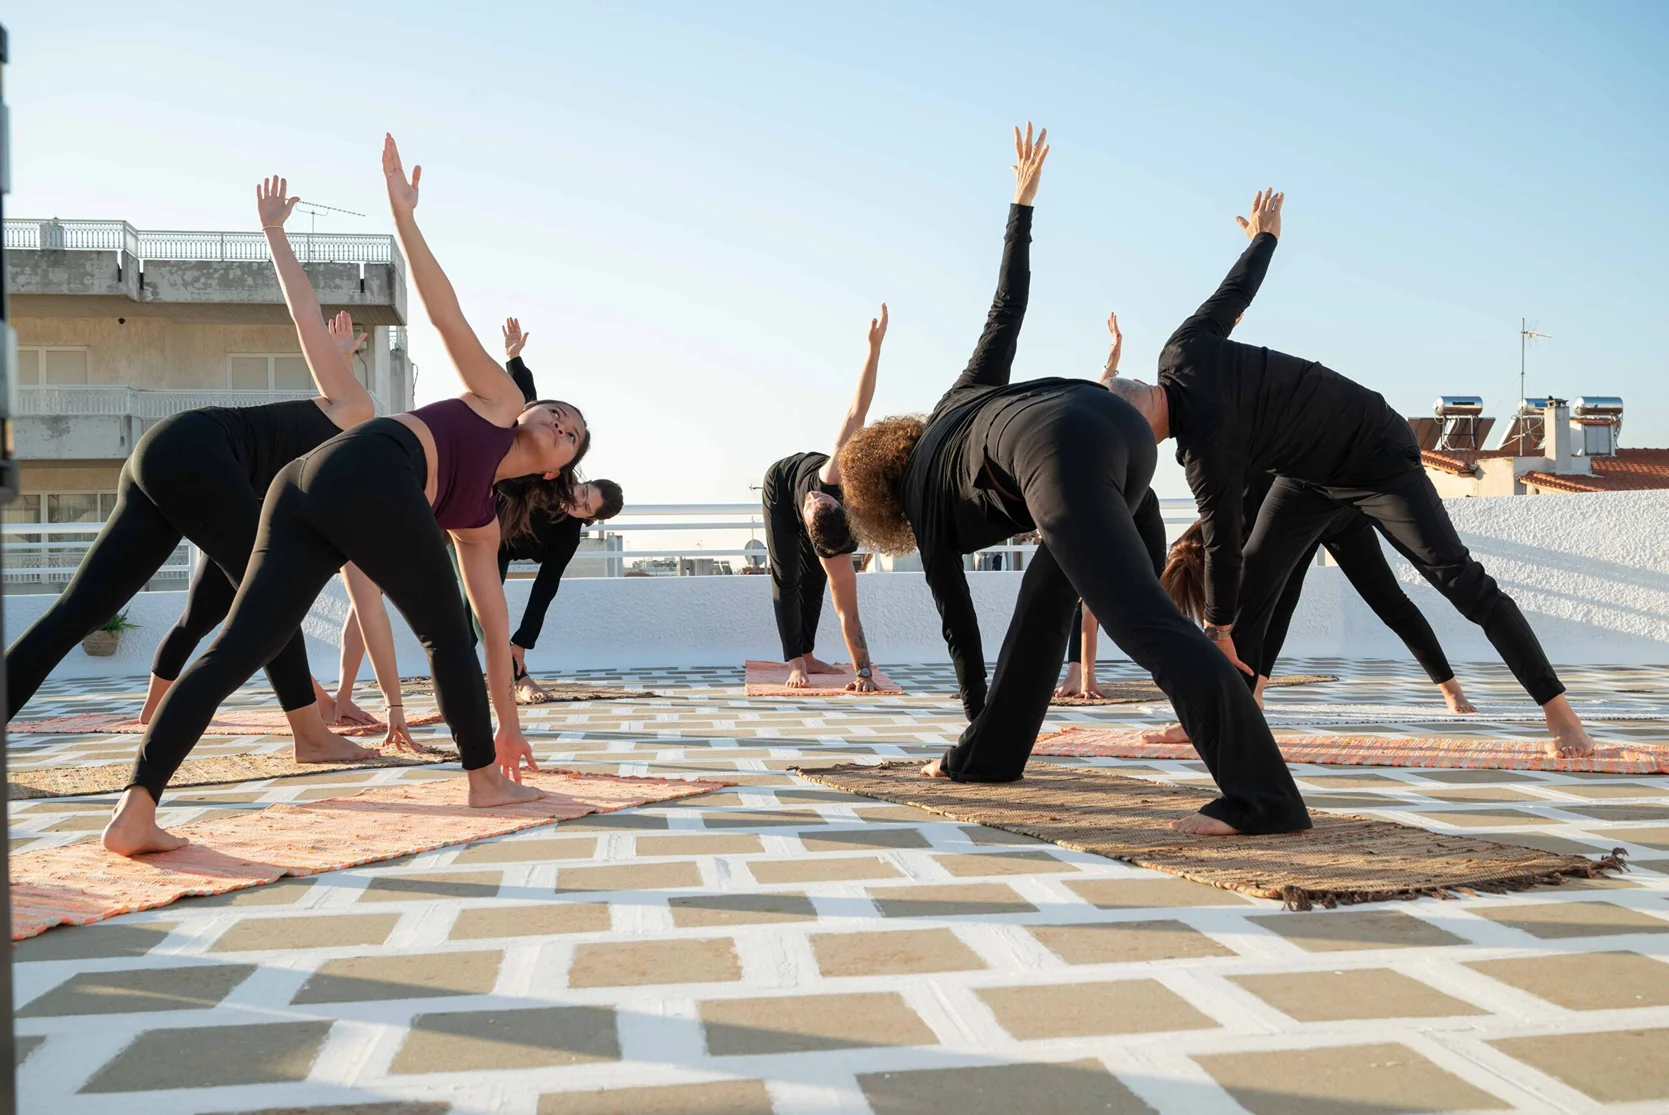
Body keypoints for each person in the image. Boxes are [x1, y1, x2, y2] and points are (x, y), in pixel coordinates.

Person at [101, 137, 590, 855]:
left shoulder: (479, 525)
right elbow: (447, 315)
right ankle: (484, 781)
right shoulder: (499, 400)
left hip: (310, 489)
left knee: (243, 645)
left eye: (572, 435)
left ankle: (135, 810)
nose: (560, 423)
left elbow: (495, 635)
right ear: (532, 407)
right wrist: (404, 218)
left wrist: (510, 724)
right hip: (358, 471)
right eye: (559, 411)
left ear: (556, 471)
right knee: (434, 631)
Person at [837, 126, 1309, 837]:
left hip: (1061, 454)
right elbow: (1006, 309)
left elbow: (960, 629)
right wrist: (1020, 205)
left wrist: (970, 719)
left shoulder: (923, 500)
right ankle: (991, 757)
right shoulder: (954, 404)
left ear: (881, 499)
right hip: (1122, 432)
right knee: (1044, 607)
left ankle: (1264, 799)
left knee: (1142, 623)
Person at [1104, 188, 1591, 758]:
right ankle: (1219, 717)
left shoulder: (1203, 453)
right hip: (1308, 475)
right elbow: (1235, 292)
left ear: (1137, 422)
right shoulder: (1179, 350)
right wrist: (1264, 239)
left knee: (1458, 578)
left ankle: (1561, 716)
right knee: (1256, 577)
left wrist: (1217, 630)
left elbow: (1220, 541)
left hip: (1376, 456)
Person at [6, 177, 383, 765]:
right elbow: (304, 314)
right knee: (270, 593)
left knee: (77, 613)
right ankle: (312, 738)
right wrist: (274, 231)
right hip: (194, 450)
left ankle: (313, 729)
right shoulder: (356, 411)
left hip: (164, 454)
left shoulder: (335, 462)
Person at [437, 318, 624, 703]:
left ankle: (487, 678)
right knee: (475, 609)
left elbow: (545, 589)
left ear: (588, 518)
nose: (575, 500)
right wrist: (515, 359)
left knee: (480, 613)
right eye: (582, 491)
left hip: (497, 548)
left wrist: (523, 641)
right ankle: (510, 678)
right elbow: (531, 414)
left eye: (584, 507)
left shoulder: (567, 537)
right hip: (470, 519)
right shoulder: (554, 473)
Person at [761, 305, 889, 692]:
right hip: (780, 487)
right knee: (787, 576)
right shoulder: (831, 477)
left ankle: (810, 653)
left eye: (816, 502)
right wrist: (874, 349)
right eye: (818, 500)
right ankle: (796, 662)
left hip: (824, 527)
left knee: (816, 578)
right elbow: (857, 411)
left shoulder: (836, 554)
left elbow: (849, 615)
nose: (816, 497)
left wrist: (863, 673)